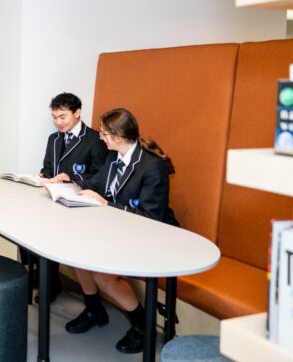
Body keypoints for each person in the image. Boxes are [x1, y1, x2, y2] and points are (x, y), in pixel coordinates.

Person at [66, 108, 178, 354]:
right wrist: (65, 184)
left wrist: (106, 204)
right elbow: (94, 185)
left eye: (105, 134)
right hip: (120, 229)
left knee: (102, 275)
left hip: (155, 235)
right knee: (77, 254)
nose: (101, 138)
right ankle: (94, 310)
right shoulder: (114, 157)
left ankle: (142, 325)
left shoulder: (152, 166)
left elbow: (151, 218)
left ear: (118, 136)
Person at [25, 92, 109, 304]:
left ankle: (51, 284)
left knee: (50, 232)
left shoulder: (94, 140)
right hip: (54, 198)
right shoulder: (53, 139)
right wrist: (43, 177)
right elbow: (47, 168)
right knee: (26, 224)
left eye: (62, 116)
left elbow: (99, 178)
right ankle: (43, 275)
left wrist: (70, 177)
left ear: (78, 113)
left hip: (79, 203)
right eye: (54, 117)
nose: (58, 122)